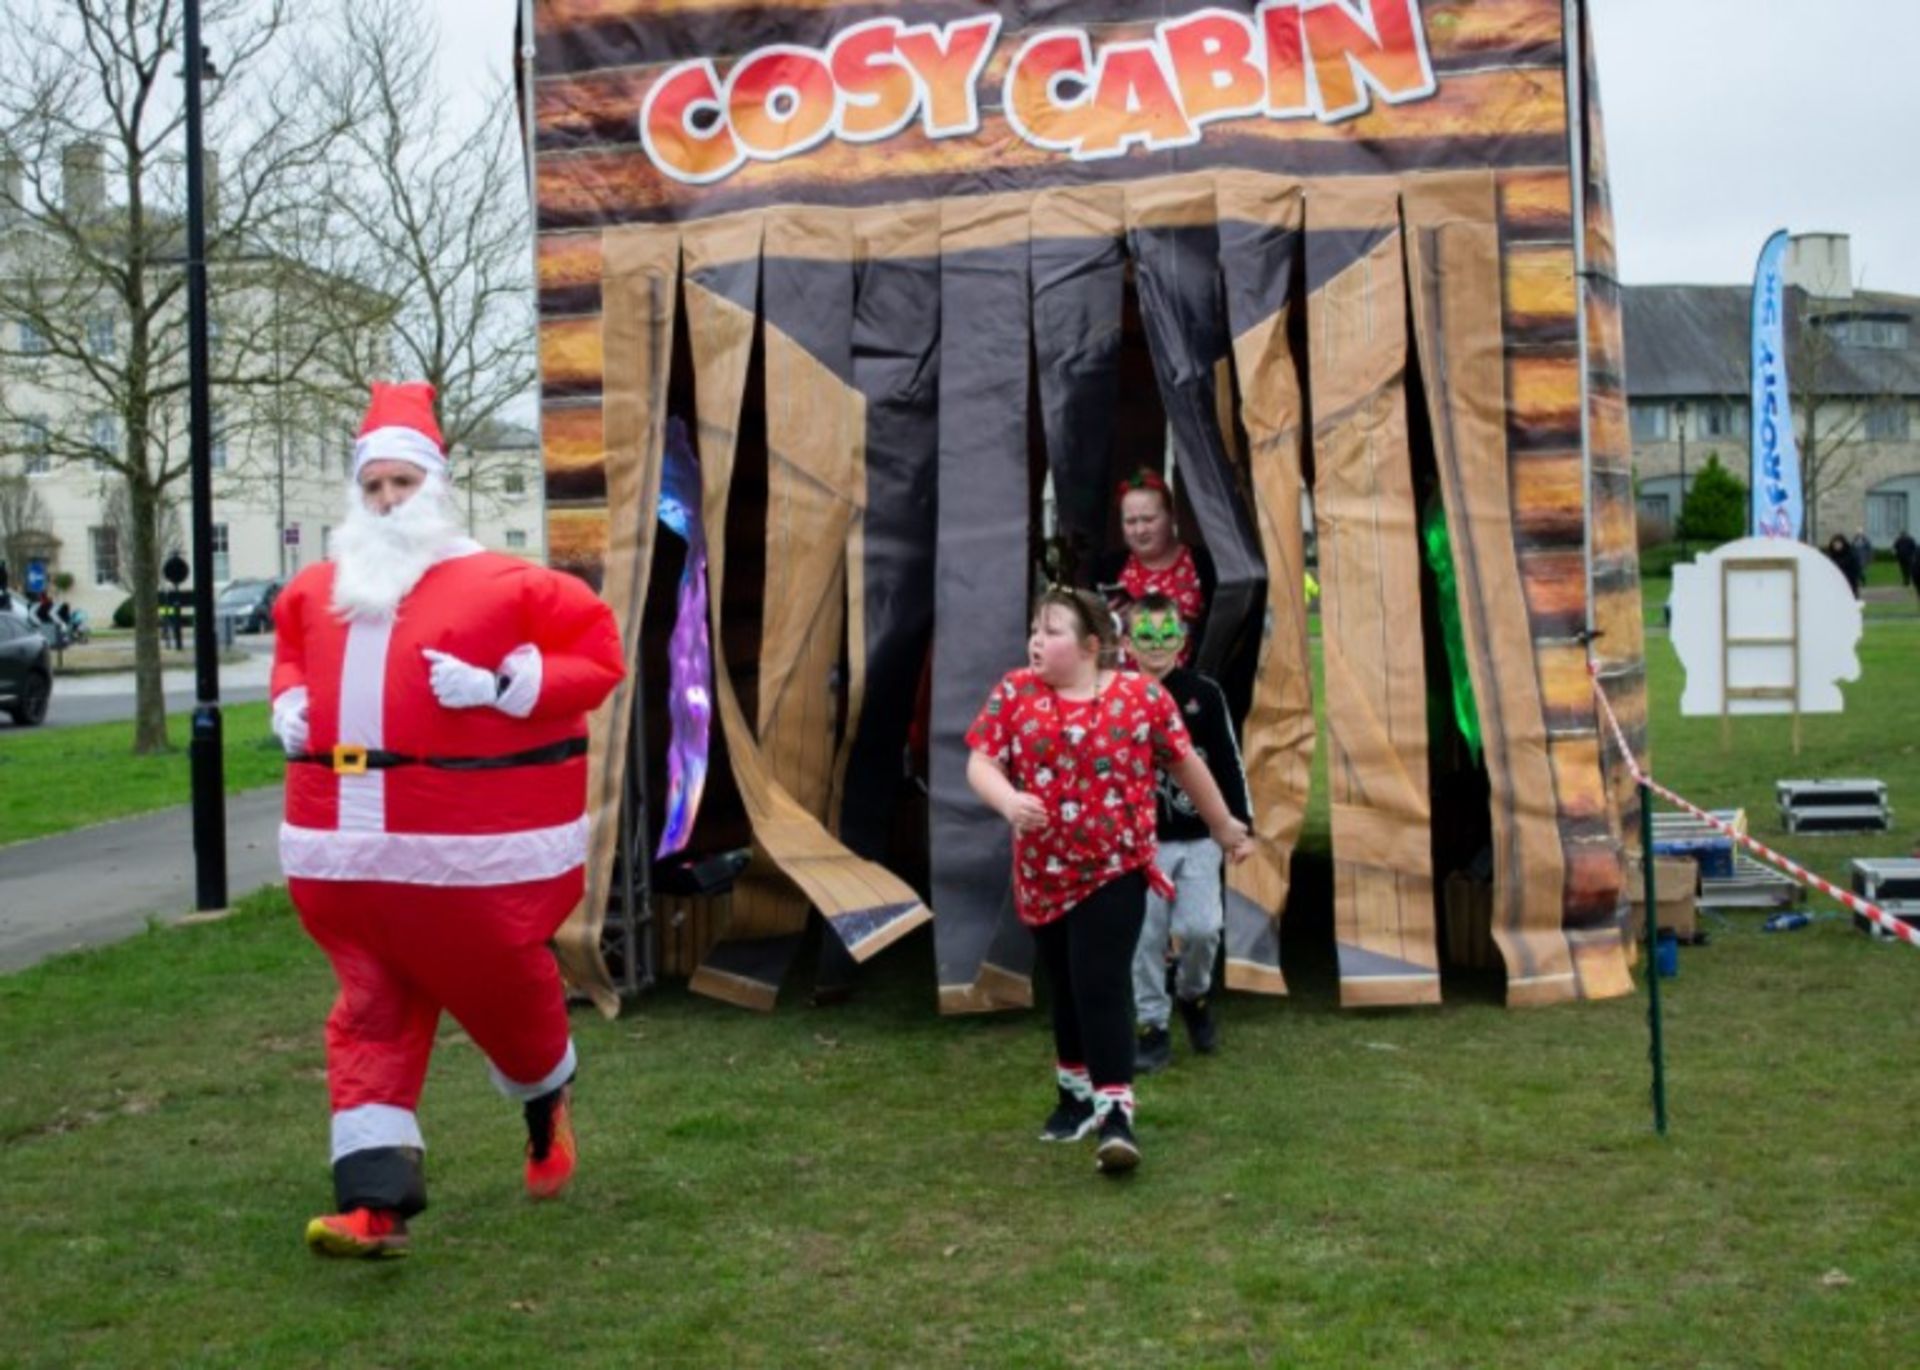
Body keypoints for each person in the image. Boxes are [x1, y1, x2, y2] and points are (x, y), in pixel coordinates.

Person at [270, 382, 624, 1259]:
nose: (388, 501)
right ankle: (373, 1204)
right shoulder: (318, 590)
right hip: (353, 865)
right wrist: (286, 703)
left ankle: (547, 1104)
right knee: (368, 1016)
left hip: (471, 868)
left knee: (505, 999)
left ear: (435, 485)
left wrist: (506, 687)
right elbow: (289, 653)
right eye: (375, 487)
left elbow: (598, 653)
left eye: (402, 484)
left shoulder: (508, 582)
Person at [965, 586, 1251, 1175]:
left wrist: (1224, 826)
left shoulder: (1138, 697)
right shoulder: (1015, 692)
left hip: (1117, 868)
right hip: (1042, 874)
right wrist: (1009, 800)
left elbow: (1185, 761)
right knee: (1067, 985)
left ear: (1092, 645)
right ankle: (1072, 1095)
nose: (1036, 642)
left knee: (1099, 979)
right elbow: (980, 761)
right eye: (1035, 631)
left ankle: (1116, 1113)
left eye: (1052, 632)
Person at [1120, 595, 1252, 1075]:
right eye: (1146, 637)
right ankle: (1152, 1027)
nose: (1157, 647)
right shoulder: (1116, 696)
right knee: (1145, 935)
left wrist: (1239, 825)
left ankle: (1193, 996)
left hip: (1198, 838)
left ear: (1183, 639)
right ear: (1126, 642)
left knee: (1201, 929)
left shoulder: (1204, 694)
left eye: (1166, 636)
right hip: (1141, 842)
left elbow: (1228, 761)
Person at [1096, 468, 1214, 660]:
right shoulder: (1108, 568)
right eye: (1130, 521)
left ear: (1172, 517)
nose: (1140, 530)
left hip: (1186, 684)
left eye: (1149, 519)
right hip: (1127, 686)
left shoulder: (1204, 564)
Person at [1825, 534, 1862, 598]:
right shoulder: (1830, 557)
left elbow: (1856, 570)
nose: (1837, 546)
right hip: (1834, 586)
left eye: (1839, 544)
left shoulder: (1850, 555)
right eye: (1835, 544)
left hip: (1849, 585)